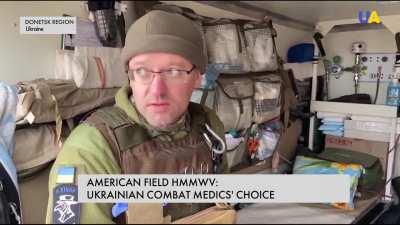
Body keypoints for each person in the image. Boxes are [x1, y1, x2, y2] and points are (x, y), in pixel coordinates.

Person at [46, 9, 228, 224]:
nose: (157, 90)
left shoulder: (209, 126)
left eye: (173, 71)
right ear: (130, 77)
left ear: (197, 77)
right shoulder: (91, 148)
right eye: (142, 71)